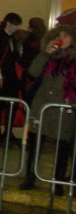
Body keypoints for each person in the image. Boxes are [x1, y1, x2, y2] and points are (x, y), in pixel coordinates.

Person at [20, 25, 76, 194]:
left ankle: (57, 182)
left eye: (66, 36)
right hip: (42, 106)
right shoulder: (49, 56)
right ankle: (30, 177)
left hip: (64, 108)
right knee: (35, 144)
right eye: (59, 35)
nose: (62, 38)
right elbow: (33, 72)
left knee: (62, 147)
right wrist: (45, 53)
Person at [0, 12, 24, 144]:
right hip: (1, 76)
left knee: (11, 104)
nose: (16, 28)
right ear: (8, 23)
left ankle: (8, 132)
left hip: (12, 76)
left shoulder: (14, 39)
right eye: (14, 25)